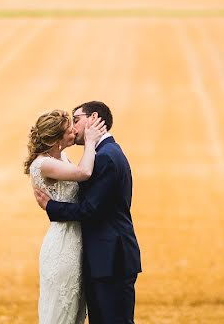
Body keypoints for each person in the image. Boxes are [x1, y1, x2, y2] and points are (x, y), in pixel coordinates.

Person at [34, 101, 142, 324]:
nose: (73, 128)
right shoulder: (102, 153)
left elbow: (90, 209)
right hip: (100, 257)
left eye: (76, 120)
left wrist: (52, 207)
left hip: (111, 259)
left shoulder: (105, 157)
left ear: (93, 118)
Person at [25, 108, 107, 324]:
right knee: (61, 310)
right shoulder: (43, 164)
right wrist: (90, 143)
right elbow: (84, 173)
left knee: (75, 312)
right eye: (68, 129)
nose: (74, 131)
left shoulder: (62, 157)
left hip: (76, 240)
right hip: (62, 244)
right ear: (55, 139)